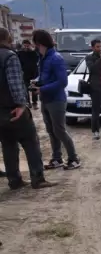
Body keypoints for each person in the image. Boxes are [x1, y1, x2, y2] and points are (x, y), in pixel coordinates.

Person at [0, 27, 56, 189]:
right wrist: (21, 104)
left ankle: (14, 180)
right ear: (8, 38)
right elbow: (15, 83)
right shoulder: (10, 57)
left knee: (8, 144)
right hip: (13, 109)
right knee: (30, 142)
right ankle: (37, 178)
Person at [32, 29, 81, 170]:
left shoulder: (56, 58)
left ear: (40, 43)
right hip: (46, 100)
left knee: (59, 130)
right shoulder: (43, 58)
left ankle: (73, 158)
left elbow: (62, 82)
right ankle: (57, 158)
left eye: (36, 43)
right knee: (51, 131)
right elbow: (44, 77)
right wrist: (36, 82)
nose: (35, 46)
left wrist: (42, 89)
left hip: (56, 100)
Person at [17, 39, 39, 110]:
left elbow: (37, 60)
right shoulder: (20, 53)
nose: (26, 47)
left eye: (27, 45)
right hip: (24, 73)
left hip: (33, 73)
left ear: (30, 45)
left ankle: (34, 103)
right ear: (22, 45)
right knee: (25, 89)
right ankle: (28, 102)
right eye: (25, 45)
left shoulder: (33, 53)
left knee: (34, 88)